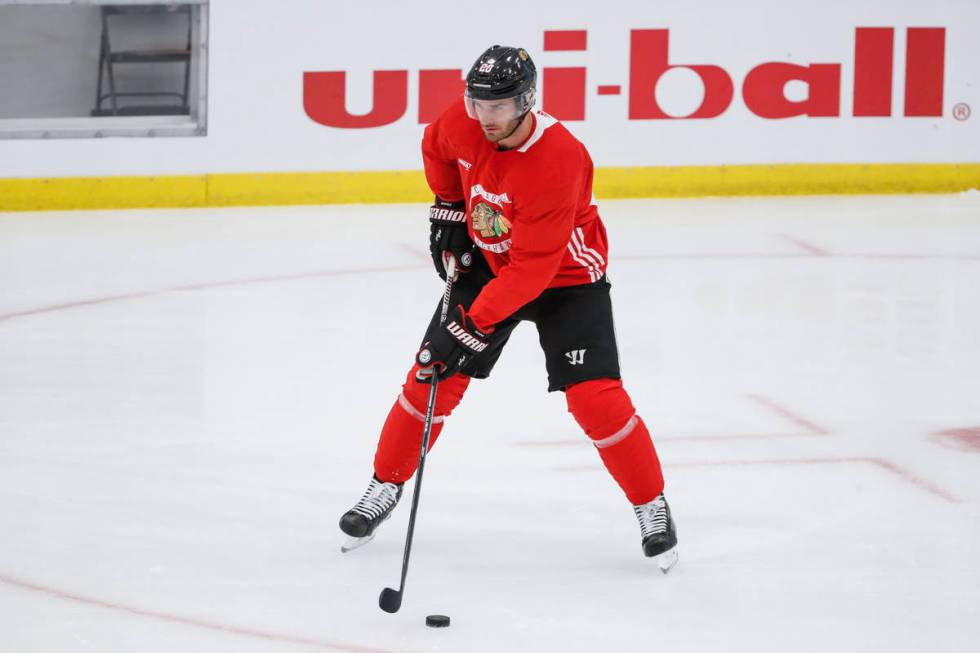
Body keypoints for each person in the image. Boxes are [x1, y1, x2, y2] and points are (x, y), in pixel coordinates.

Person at [339, 45, 678, 571]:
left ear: (526, 102)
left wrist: (470, 327)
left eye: (497, 106)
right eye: (477, 104)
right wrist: (449, 206)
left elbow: (532, 269)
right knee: (430, 377)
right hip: (491, 265)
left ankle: (650, 504)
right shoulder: (464, 119)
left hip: (564, 277)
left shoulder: (559, 159)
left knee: (595, 399)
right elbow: (434, 145)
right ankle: (383, 486)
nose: (484, 116)